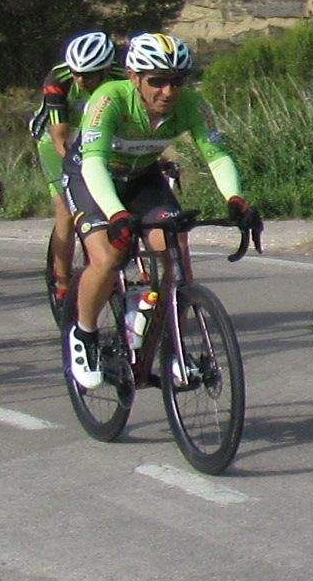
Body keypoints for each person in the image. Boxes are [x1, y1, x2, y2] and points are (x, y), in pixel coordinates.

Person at [65, 33, 260, 389]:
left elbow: (216, 156)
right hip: (91, 175)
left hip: (142, 176)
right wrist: (116, 214)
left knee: (172, 254)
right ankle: (85, 335)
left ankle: (166, 349)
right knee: (107, 257)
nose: (168, 92)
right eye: (157, 81)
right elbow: (94, 165)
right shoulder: (108, 99)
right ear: (134, 77)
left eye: (177, 81)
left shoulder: (192, 105)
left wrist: (236, 198)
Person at [30, 31, 120, 316]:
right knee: (66, 210)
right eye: (77, 73)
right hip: (54, 137)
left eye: (90, 75)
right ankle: (62, 283)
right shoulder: (59, 80)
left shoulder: (123, 77)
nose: (81, 80)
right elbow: (61, 138)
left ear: (106, 69)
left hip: (98, 132)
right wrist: (82, 172)